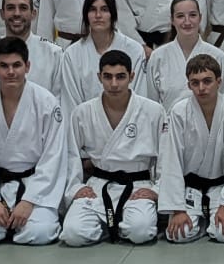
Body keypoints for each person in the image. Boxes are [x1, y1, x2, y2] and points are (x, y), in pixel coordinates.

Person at [0, 37, 72, 246]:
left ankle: (13, 224)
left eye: (16, 65)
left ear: (27, 66)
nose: (11, 72)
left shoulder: (46, 102)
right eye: (4, 66)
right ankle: (6, 222)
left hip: (34, 185)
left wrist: (29, 201)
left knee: (39, 233)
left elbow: (53, 157)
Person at [59, 50, 162, 247]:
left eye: (121, 77)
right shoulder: (83, 112)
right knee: (72, 234)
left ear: (131, 77)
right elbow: (70, 154)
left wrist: (157, 189)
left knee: (140, 232)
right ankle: (114, 221)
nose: (114, 84)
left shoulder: (153, 111)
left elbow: (165, 157)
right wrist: (76, 187)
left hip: (138, 185)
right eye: (107, 77)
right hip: (98, 185)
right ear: (99, 77)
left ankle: (115, 222)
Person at [155, 53, 224, 243]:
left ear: (219, 81)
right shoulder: (179, 111)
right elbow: (171, 159)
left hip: (222, 186)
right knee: (179, 235)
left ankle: (210, 218)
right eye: (195, 83)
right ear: (188, 85)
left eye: (207, 81)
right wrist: (178, 209)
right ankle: (200, 221)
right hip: (190, 186)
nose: (201, 88)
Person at [59, 0, 145, 105]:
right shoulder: (72, 54)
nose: (98, 15)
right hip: (85, 121)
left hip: (128, 120)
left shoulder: (135, 50)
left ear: (113, 15)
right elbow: (70, 102)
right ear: (86, 16)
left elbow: (139, 97)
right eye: (92, 10)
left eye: (104, 10)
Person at [0, 0, 63, 94]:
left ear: (33, 14)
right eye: (10, 8)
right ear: (2, 14)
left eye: (23, 8)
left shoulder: (54, 53)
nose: (17, 13)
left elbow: (57, 99)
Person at [146, 0, 224, 111]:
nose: (187, 22)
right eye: (180, 16)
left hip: (208, 124)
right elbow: (152, 103)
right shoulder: (158, 57)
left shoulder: (218, 56)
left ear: (200, 17)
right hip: (169, 126)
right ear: (172, 20)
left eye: (192, 15)